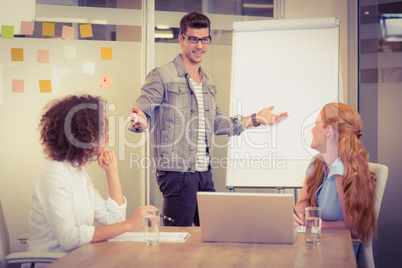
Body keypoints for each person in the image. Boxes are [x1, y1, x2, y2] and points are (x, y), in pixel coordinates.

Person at [129, 12, 288, 226]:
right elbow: (140, 111)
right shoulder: (162, 75)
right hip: (177, 173)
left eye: (205, 39)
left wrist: (255, 119)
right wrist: (140, 121)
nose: (200, 45)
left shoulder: (207, 82)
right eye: (193, 39)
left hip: (204, 172)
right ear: (182, 38)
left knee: (214, 233)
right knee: (179, 241)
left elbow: (215, 124)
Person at [27, 95, 155, 253]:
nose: (107, 137)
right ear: (82, 135)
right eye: (102, 131)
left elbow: (114, 220)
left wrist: (112, 172)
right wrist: (129, 225)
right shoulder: (54, 173)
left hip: (79, 258)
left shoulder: (79, 173)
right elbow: (69, 238)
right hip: (53, 262)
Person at [294, 102, 377, 257]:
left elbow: (353, 230)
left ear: (329, 131)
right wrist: (298, 219)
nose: (312, 129)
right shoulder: (317, 163)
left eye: (317, 123)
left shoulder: (343, 170)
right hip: (316, 248)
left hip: (337, 255)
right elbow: (301, 206)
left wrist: (311, 223)